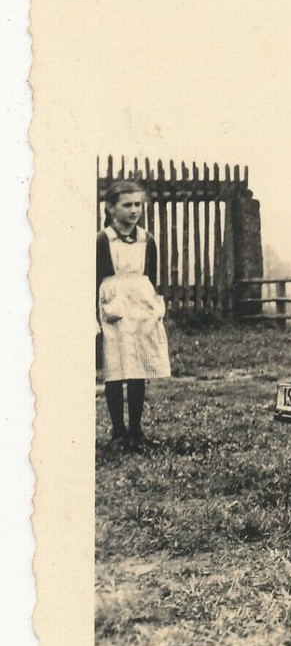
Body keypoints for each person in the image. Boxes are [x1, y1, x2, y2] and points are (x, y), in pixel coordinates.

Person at [97, 180, 171, 451]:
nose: (134, 210)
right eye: (127, 205)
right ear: (111, 208)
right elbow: (95, 278)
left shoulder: (146, 240)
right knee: (115, 367)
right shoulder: (102, 240)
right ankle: (118, 431)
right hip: (114, 303)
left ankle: (136, 430)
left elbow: (152, 276)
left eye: (138, 204)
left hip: (141, 303)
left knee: (138, 365)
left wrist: (154, 305)